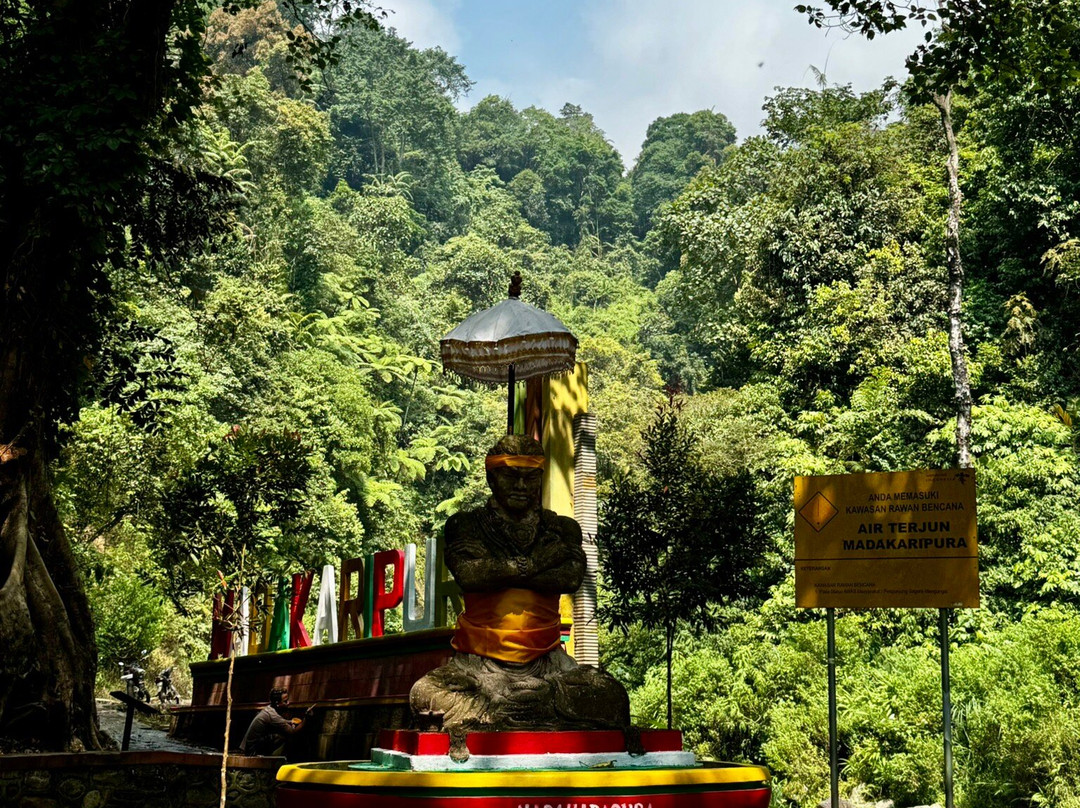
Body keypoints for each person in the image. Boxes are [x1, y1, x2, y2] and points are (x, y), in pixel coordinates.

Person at [410, 434, 630, 753]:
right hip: (479, 666)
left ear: (540, 478)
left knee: (610, 694)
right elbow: (471, 576)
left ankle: (508, 708)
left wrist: (500, 570)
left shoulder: (562, 529)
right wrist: (537, 562)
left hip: (548, 664)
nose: (521, 485)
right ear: (491, 476)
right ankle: (523, 705)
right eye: (510, 475)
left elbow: (569, 577)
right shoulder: (466, 526)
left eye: (530, 477)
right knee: (426, 693)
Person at [239, 687, 310, 756]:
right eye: (285, 701)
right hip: (252, 750)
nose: (288, 703)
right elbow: (292, 732)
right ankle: (276, 759)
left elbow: (280, 721)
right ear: (277, 703)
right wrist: (306, 718)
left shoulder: (269, 709)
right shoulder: (273, 715)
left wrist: (289, 721)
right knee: (282, 736)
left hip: (248, 746)